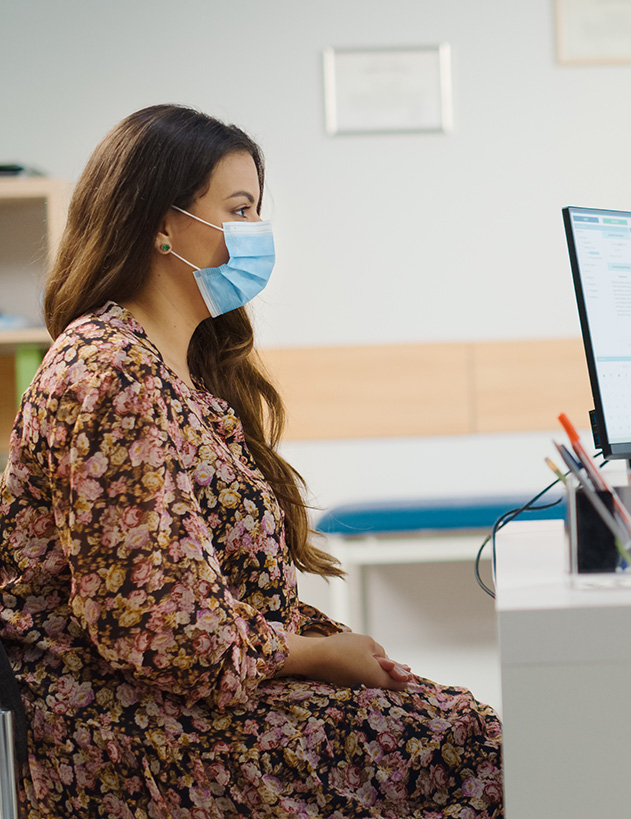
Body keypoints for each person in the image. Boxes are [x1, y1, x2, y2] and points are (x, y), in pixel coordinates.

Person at [0, 105, 503, 817]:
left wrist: (331, 648)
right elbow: (163, 627)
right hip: (136, 742)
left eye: (257, 212)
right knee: (481, 756)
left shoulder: (179, 376)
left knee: (471, 730)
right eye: (238, 210)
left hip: (200, 706)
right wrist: (320, 656)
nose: (255, 234)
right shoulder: (109, 373)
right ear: (161, 223)